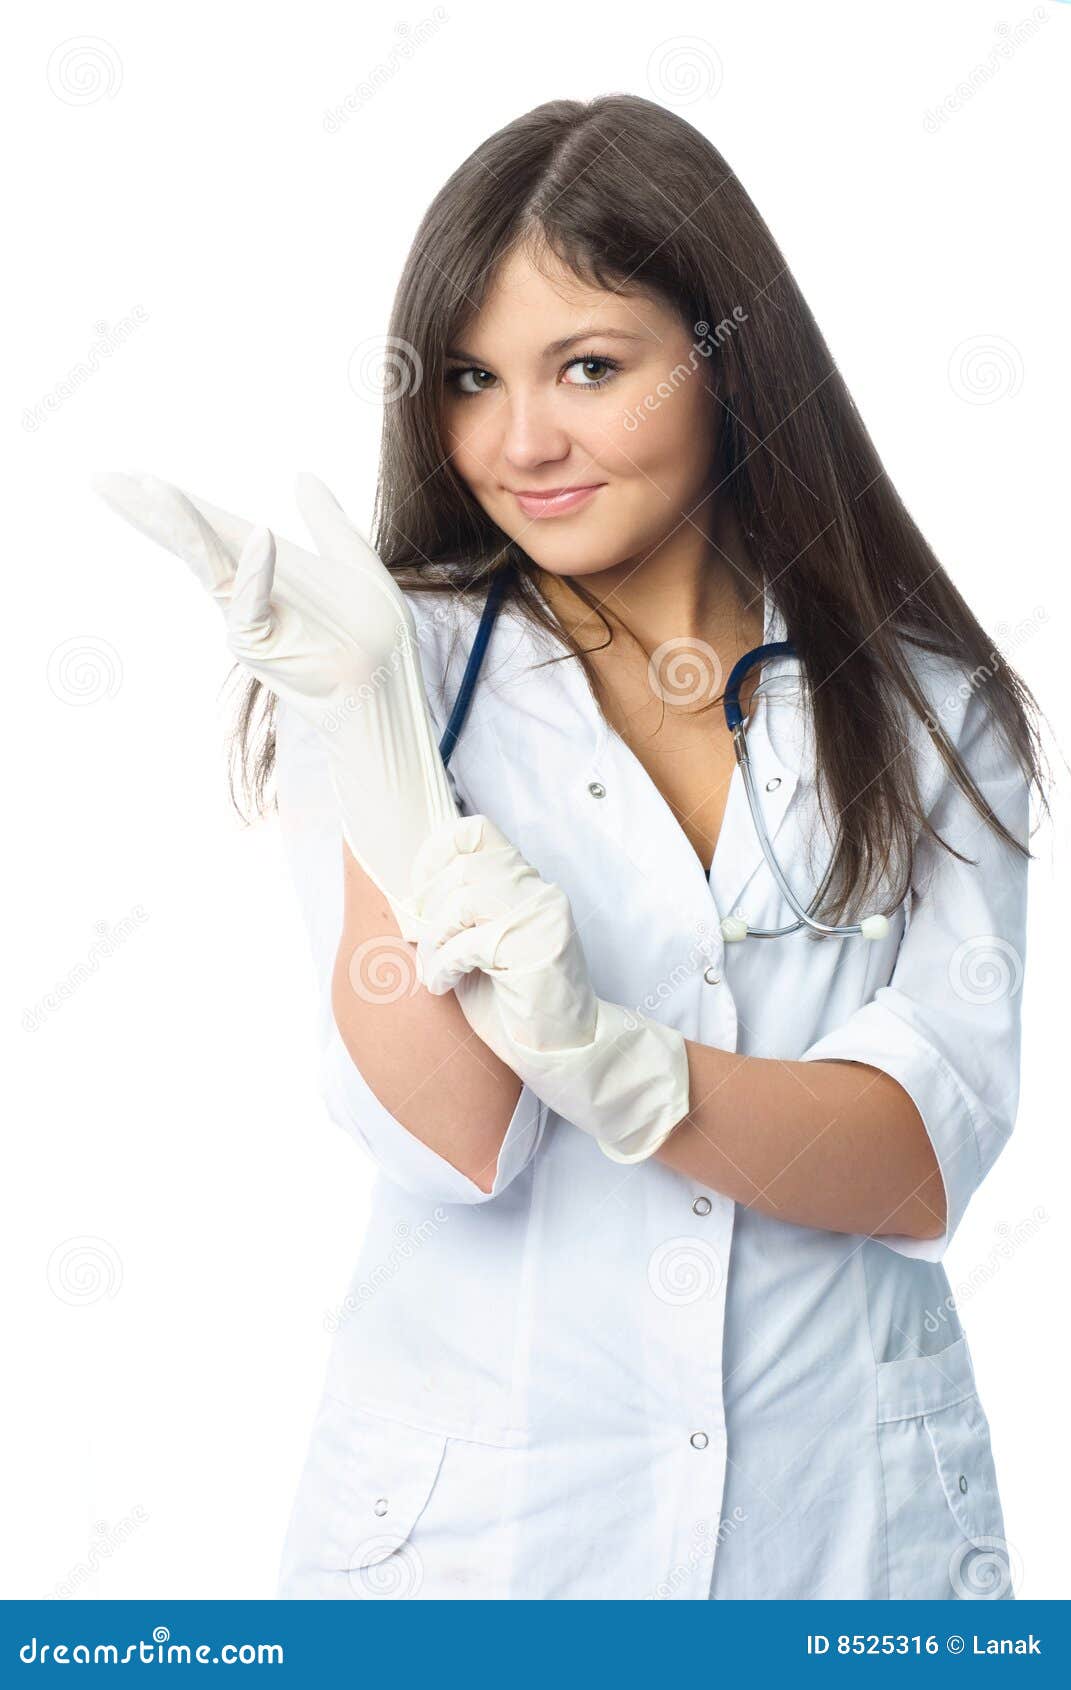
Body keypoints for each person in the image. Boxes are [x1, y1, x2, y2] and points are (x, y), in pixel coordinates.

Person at [99, 94, 1049, 1600]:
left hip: (843, 1543)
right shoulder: (388, 667)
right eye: (471, 379)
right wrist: (383, 760)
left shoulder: (930, 707)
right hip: (480, 1551)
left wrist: (625, 1065)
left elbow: (921, 1159)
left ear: (728, 360)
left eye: (588, 368)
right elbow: (458, 1143)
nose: (516, 441)